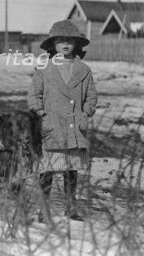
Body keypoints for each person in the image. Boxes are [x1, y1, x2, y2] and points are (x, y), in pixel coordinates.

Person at [28, 19, 97, 222]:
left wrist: (86, 112)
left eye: (70, 41)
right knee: (46, 171)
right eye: (61, 41)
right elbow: (34, 96)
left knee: (71, 171)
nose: (66, 45)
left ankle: (71, 208)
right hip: (51, 127)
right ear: (53, 45)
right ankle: (44, 210)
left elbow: (92, 97)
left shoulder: (84, 70)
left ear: (76, 44)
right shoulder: (44, 69)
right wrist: (40, 114)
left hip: (74, 128)